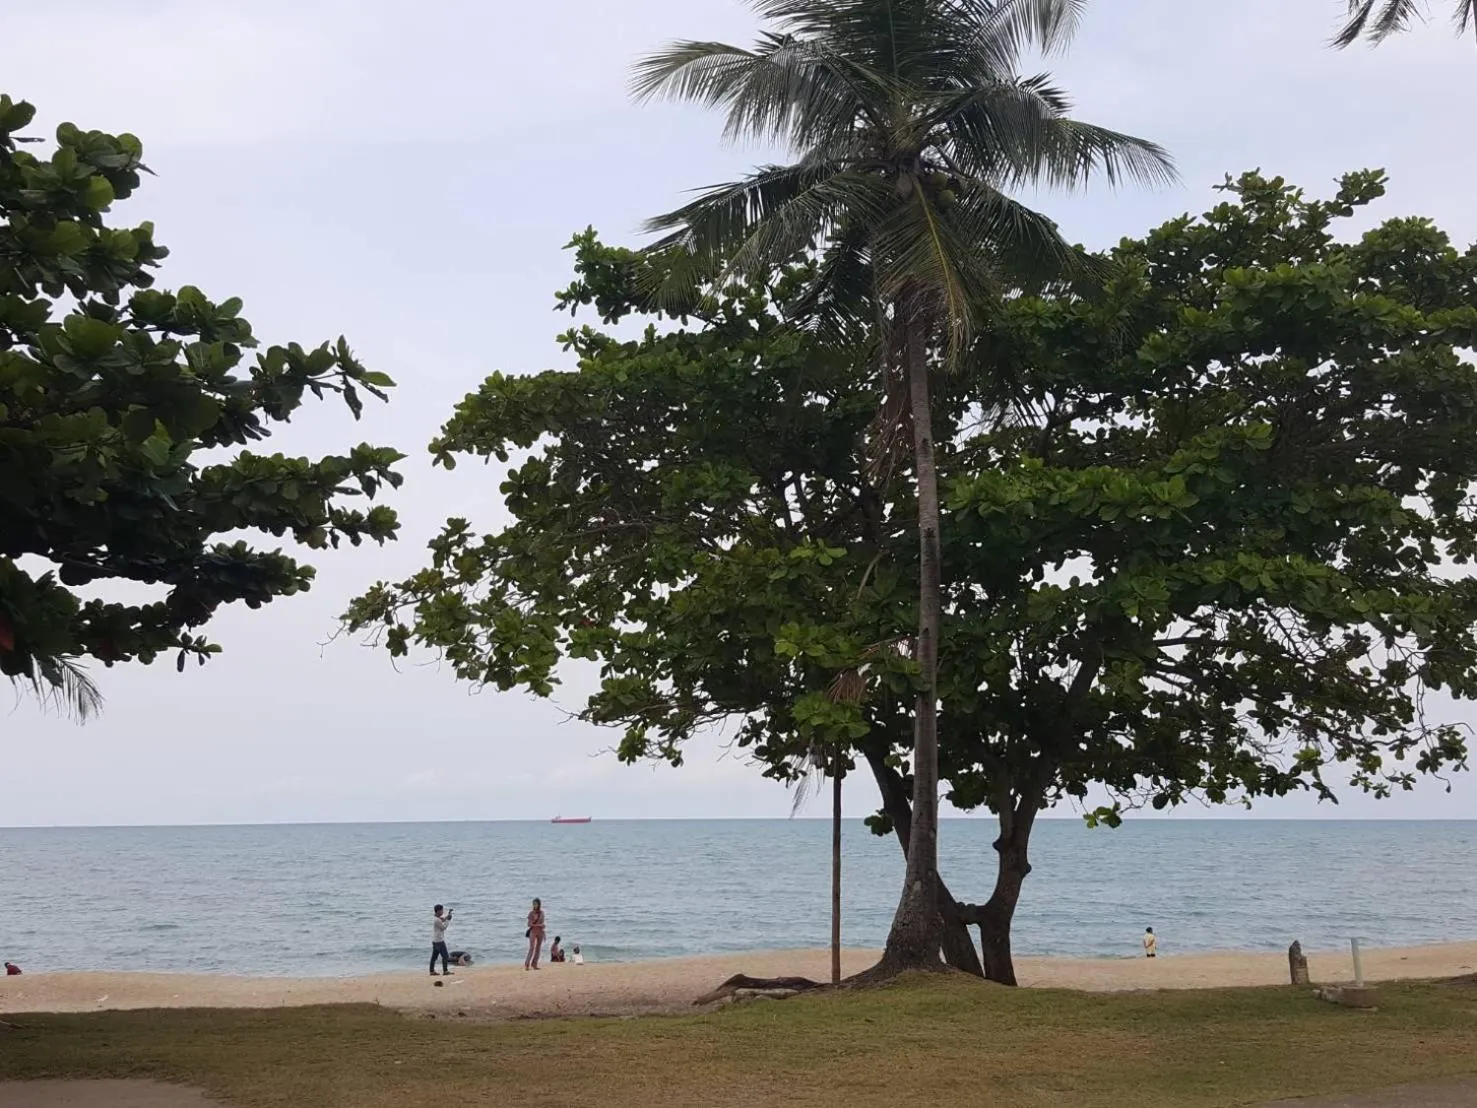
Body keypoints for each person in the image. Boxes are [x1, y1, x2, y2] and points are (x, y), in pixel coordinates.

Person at [430, 904, 454, 976]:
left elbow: (442, 919)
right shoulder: (437, 920)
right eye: (441, 910)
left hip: (435, 940)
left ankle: (431, 971)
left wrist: (448, 915)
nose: (442, 911)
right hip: (439, 941)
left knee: (434, 957)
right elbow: (443, 927)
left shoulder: (436, 918)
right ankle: (445, 971)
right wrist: (448, 920)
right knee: (445, 956)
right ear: (438, 911)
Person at [524, 897, 545, 970]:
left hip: (540, 932)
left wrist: (543, 929)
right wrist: (539, 925)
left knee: (538, 949)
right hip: (533, 931)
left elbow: (542, 923)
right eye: (533, 904)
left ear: (539, 904)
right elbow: (529, 924)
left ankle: (534, 964)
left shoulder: (542, 913)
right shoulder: (531, 913)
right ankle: (527, 964)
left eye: (536, 904)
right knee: (532, 948)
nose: (534, 905)